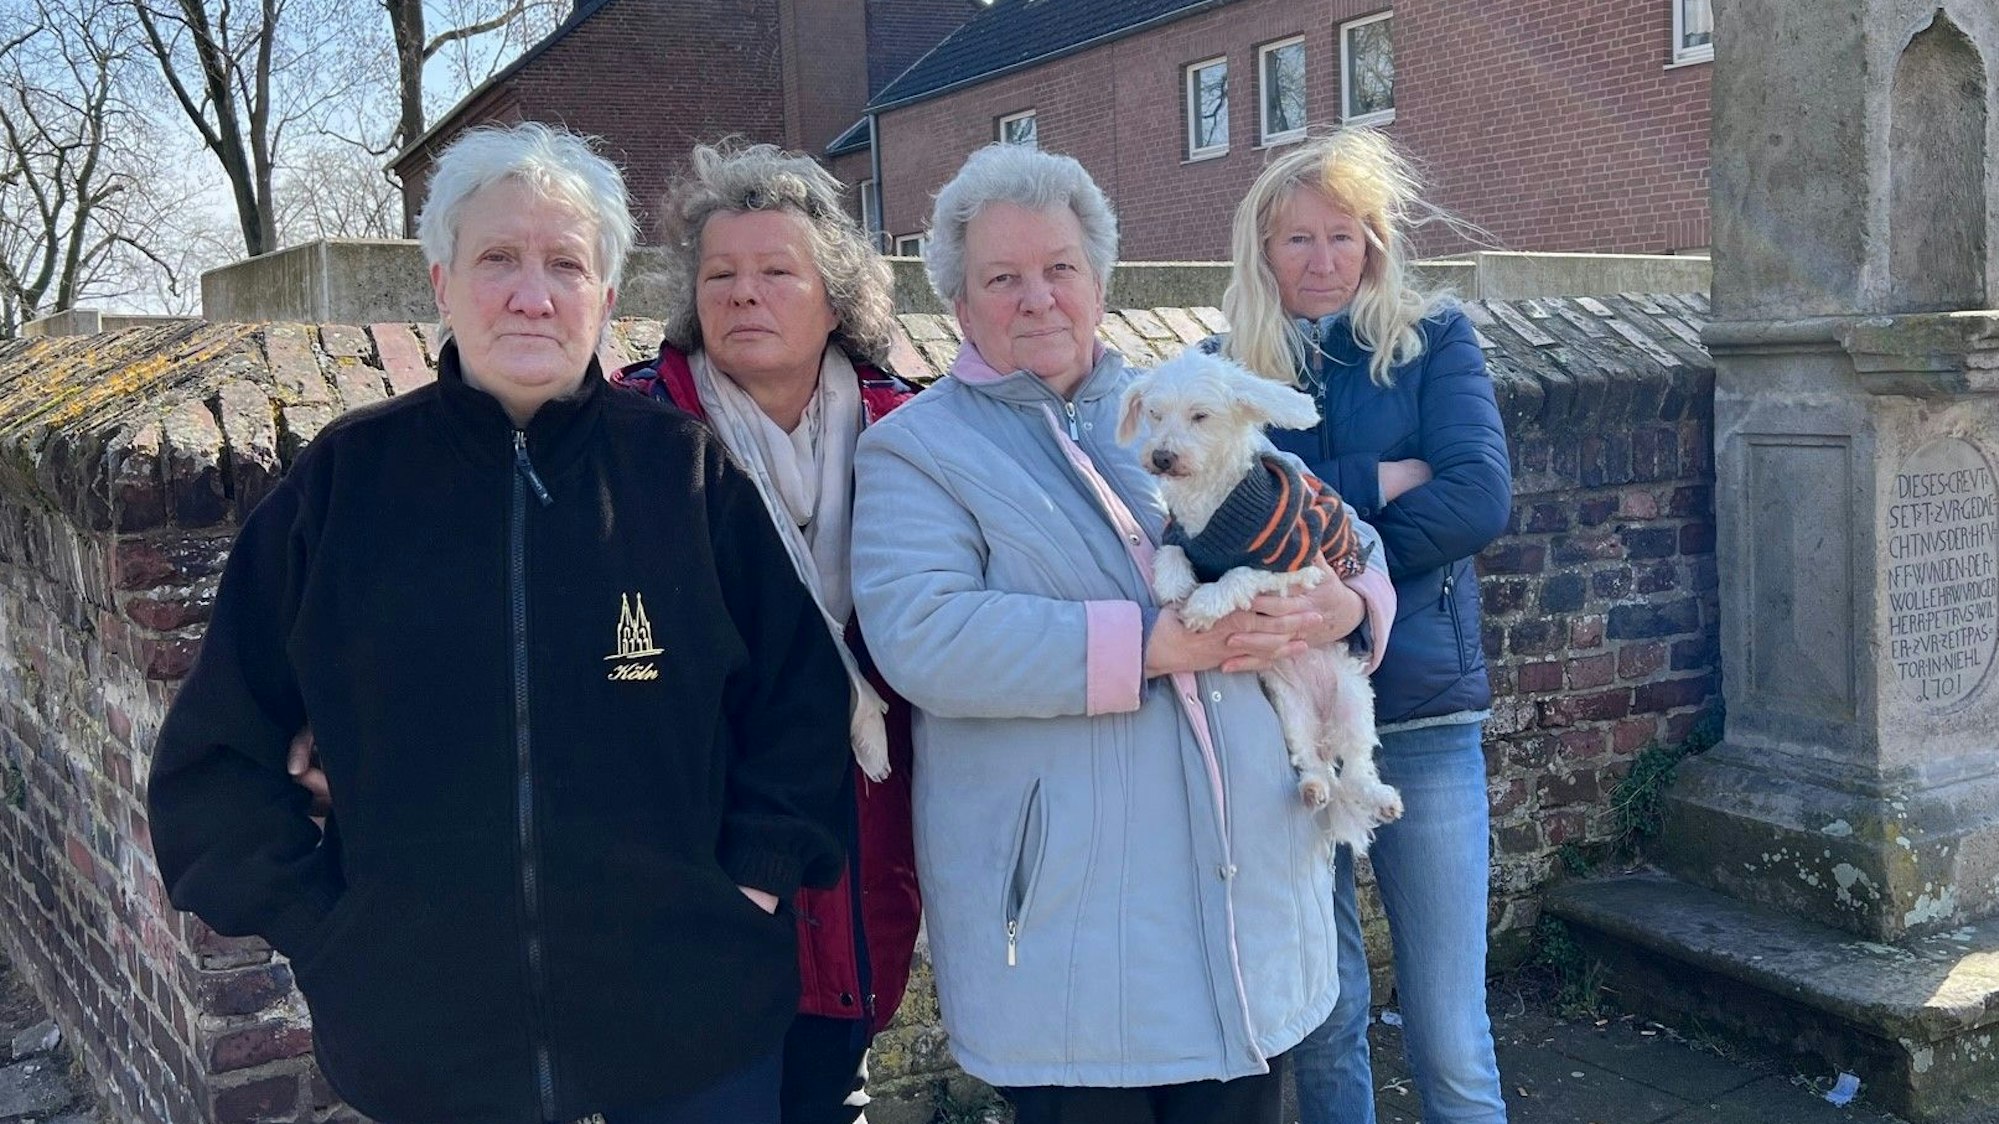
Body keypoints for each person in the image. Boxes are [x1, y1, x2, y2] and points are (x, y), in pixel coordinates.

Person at [146, 122, 851, 1124]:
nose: (533, 292)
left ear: (606, 294)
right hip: (432, 1051)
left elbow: (801, 705)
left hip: (695, 1031)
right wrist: (325, 926)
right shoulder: (346, 487)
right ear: (440, 283)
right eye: (497, 259)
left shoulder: (685, 477)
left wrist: (752, 887)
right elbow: (211, 762)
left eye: (566, 262)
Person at [848, 142, 1396, 1124]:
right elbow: (925, 635)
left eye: (1059, 267)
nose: (1037, 297)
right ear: (958, 302)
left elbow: (1341, 530)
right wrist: (1146, 645)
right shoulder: (915, 450)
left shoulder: (1181, 396)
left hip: (1245, 906)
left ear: (1099, 280)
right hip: (1065, 929)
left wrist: (1347, 606)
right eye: (1001, 276)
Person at [611, 140, 922, 1124]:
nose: (744, 294)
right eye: (720, 275)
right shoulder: (628, 436)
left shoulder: (909, 435)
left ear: (833, 296)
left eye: (776, 271)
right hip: (688, 902)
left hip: (855, 868)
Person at [1212, 128, 1513, 1124]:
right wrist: (1372, 485)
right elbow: (1213, 522)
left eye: (1343, 235)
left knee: (1447, 1023)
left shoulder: (1434, 340)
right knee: (1325, 1016)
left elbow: (1474, 497)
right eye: (1297, 239)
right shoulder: (1222, 371)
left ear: (1375, 242)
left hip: (1421, 717)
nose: (1322, 259)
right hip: (1284, 728)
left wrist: (1340, 570)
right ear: (1261, 249)